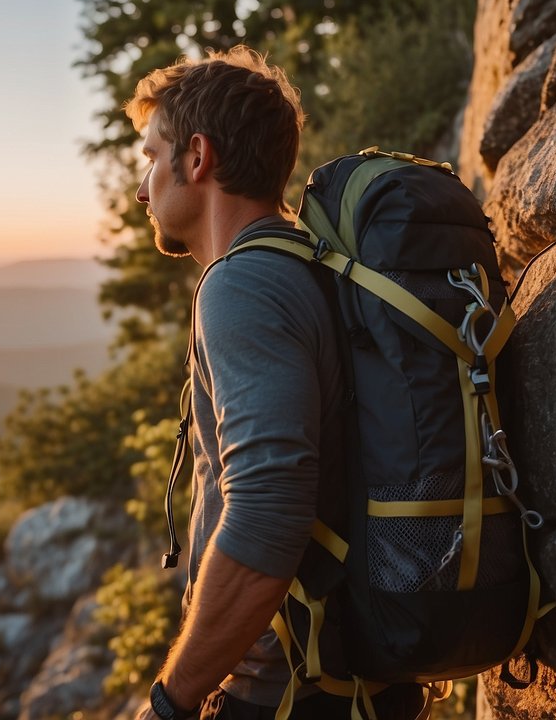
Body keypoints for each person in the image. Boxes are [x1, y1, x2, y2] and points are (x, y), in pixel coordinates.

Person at [127, 47, 423, 720]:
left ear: (196, 157)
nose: (142, 188)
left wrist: (172, 701)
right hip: (357, 681)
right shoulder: (314, 265)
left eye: (151, 157)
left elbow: (267, 507)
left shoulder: (242, 286)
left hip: (287, 694)